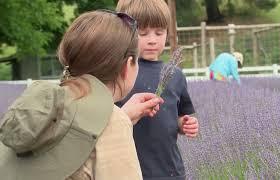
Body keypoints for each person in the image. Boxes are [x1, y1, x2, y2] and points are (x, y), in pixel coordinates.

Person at [0, 10, 164, 180]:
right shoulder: (113, 123)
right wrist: (116, 121)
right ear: (127, 66)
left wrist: (120, 117)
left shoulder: (43, 107)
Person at [116, 1, 199, 179]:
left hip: (169, 170)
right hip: (129, 170)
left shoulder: (175, 75)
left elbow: (178, 117)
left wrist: (185, 124)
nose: (152, 39)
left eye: (159, 32)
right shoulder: (118, 72)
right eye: (143, 33)